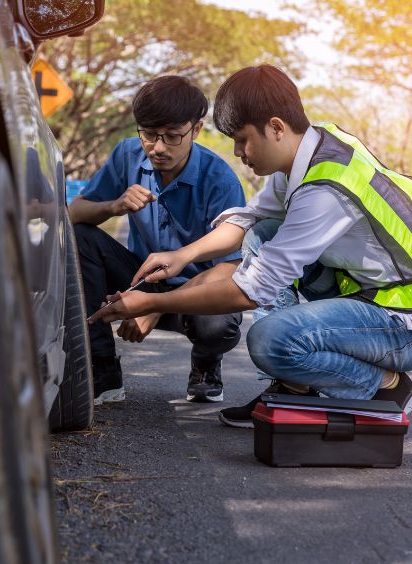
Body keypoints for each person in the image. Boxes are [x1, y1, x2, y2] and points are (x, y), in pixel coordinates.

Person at [88, 64, 412, 428]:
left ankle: (388, 387)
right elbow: (248, 219)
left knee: (271, 342)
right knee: (264, 231)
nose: (238, 151)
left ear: (275, 127)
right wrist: (183, 256)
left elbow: (250, 290)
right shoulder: (314, 148)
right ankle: (293, 389)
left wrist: (152, 303)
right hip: (370, 293)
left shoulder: (324, 190)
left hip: (400, 317)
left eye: (242, 139)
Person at [69, 75, 246, 405]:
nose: (158, 147)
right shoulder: (128, 154)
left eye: (172, 136)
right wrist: (114, 205)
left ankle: (206, 364)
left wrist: (153, 307)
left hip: (198, 291)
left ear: (196, 129)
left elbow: (233, 268)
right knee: (80, 239)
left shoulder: (220, 179)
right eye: (149, 134)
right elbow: (74, 213)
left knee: (217, 326)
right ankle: (102, 370)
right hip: (141, 279)